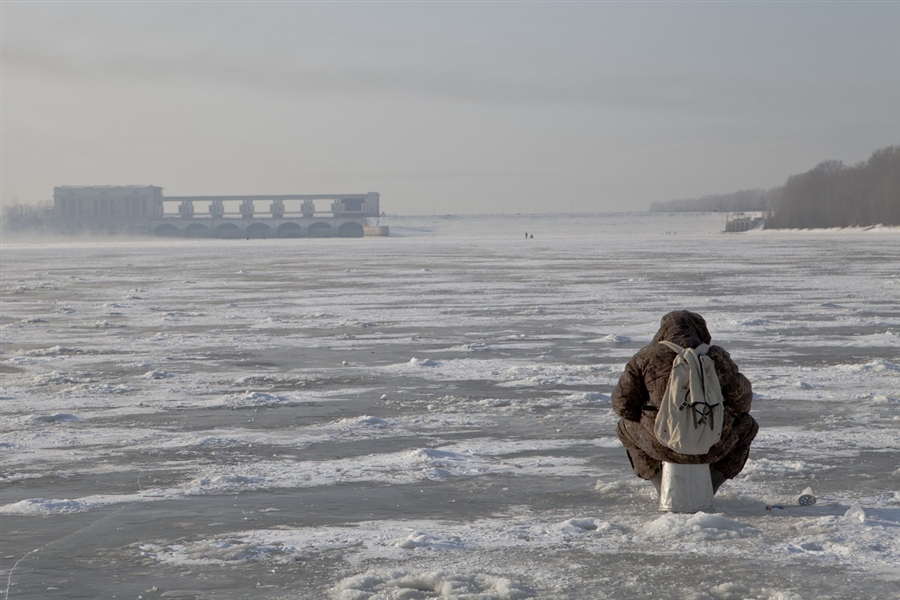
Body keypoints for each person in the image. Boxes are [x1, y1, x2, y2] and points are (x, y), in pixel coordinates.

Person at [612, 310, 758, 493]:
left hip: (660, 443)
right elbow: (742, 402)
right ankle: (711, 485)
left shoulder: (646, 357)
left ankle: (661, 486)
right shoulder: (716, 356)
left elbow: (623, 405)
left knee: (624, 426)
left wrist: (650, 416)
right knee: (748, 425)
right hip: (712, 444)